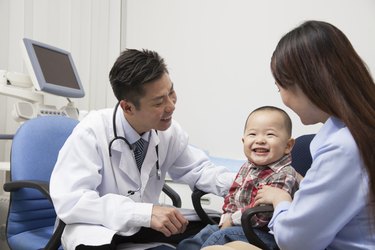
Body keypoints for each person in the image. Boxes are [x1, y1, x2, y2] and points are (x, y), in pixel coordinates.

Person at [204, 20, 375, 250]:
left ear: (307, 83)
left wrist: (281, 201)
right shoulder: (353, 135)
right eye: (252, 134)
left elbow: (296, 241)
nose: (283, 98)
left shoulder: (343, 147)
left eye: (280, 87)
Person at [49, 49, 236, 250]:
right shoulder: (91, 132)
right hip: (97, 228)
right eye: (159, 102)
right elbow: (72, 201)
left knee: (218, 229)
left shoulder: (169, 132)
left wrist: (245, 182)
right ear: (128, 107)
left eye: (171, 92)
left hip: (145, 226)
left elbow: (198, 171)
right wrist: (142, 213)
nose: (171, 106)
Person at [177, 106, 300, 250]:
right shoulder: (248, 167)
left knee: (219, 237)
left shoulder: (284, 174)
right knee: (204, 234)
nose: (260, 140)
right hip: (239, 225)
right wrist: (226, 217)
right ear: (243, 141)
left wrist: (232, 219)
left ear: (288, 145)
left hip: (267, 234)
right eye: (253, 134)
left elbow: (262, 215)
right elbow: (232, 194)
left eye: (270, 135)